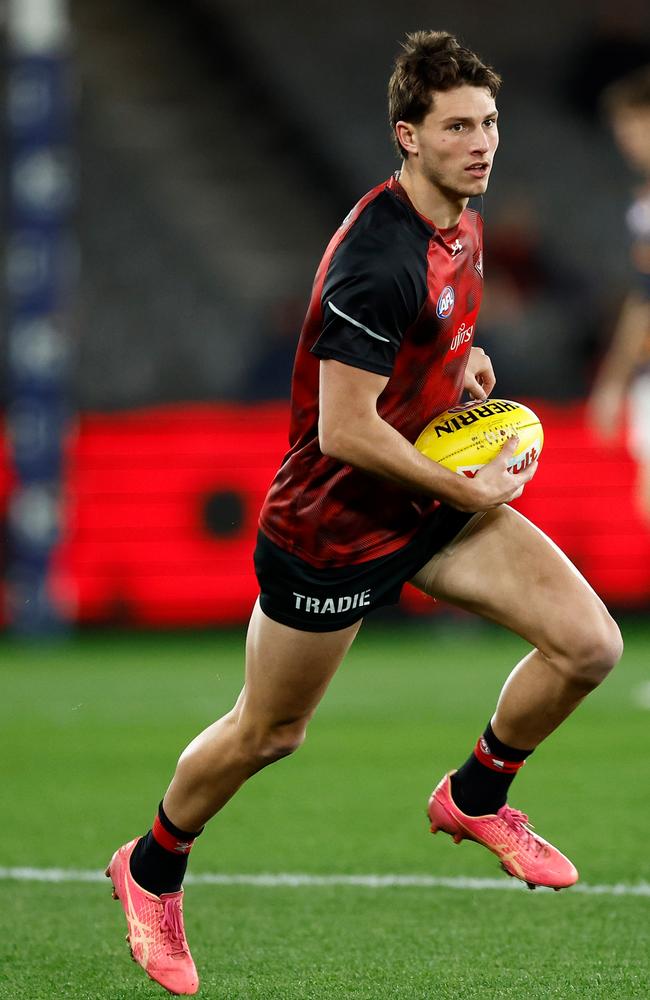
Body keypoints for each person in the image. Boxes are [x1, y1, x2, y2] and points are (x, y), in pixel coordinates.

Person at [106, 31, 623, 995]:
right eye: (458, 126)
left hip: (426, 499)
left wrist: (458, 368)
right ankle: (150, 867)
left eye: (491, 122)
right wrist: (466, 487)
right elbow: (344, 432)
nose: (482, 143)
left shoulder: (463, 221)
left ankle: (476, 797)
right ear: (407, 136)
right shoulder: (375, 255)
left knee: (589, 646)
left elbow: (422, 350)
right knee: (270, 733)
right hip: (334, 528)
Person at [587, 66, 650, 521]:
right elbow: (643, 296)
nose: (626, 140)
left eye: (632, 126)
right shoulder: (642, 205)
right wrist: (615, 378)